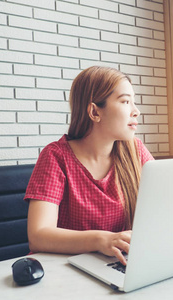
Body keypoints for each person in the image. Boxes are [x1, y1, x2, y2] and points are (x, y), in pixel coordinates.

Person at [24, 66, 154, 266]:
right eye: (126, 101)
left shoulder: (135, 151)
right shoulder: (56, 156)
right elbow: (39, 235)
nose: (136, 112)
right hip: (65, 269)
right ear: (94, 111)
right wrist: (101, 240)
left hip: (118, 264)